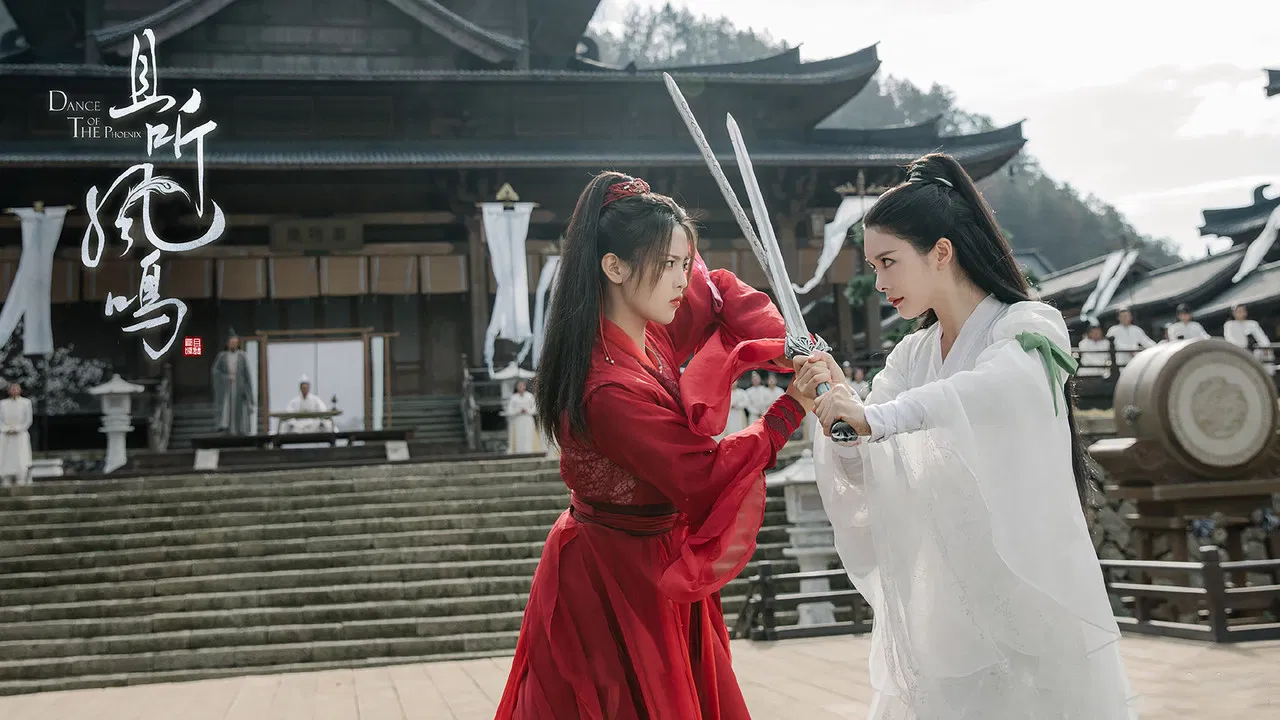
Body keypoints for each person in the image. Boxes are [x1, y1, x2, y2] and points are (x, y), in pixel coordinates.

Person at [793, 153, 1136, 719]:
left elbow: (993, 391)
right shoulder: (911, 355)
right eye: (873, 266)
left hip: (1021, 593)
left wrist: (876, 417)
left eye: (888, 262)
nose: (879, 283)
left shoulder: (1027, 327)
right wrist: (835, 413)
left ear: (941, 252)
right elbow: (865, 461)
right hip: (942, 602)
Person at [494, 171, 813, 720]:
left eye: (684, 262)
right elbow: (702, 475)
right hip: (611, 571)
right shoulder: (606, 389)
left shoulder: (652, 330)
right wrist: (790, 408)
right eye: (667, 264)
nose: (682, 279)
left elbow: (717, 293)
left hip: (656, 560)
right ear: (614, 266)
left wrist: (783, 342)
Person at [211, 333, 255, 435]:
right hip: (227, 388)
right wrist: (226, 378)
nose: (234, 345)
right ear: (228, 344)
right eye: (232, 343)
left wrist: (249, 394)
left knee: (240, 410)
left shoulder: (242, 356)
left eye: (235, 343)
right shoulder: (222, 356)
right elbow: (215, 371)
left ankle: (239, 430)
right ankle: (226, 429)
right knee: (226, 409)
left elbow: (247, 375)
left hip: (239, 387)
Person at [0, 383, 33, 487]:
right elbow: (0, 420)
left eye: (16, 389)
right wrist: (6, 429)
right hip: (6, 435)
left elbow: (28, 420)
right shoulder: (3, 403)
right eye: (12, 389)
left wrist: (18, 429)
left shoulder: (26, 402)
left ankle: (22, 478)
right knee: (5, 457)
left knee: (21, 456)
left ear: (20, 390)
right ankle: (6, 478)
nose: (14, 391)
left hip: (20, 435)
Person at [1223, 304, 1273, 371]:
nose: (1242, 313)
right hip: (1238, 351)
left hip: (1253, 351)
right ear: (1233, 313)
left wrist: (1265, 347)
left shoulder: (1252, 324)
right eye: (1239, 311)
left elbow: (1261, 337)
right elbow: (1229, 338)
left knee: (1264, 353)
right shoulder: (1229, 325)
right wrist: (1240, 348)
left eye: (1243, 311)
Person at [505, 379, 539, 454]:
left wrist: (527, 410)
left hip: (528, 418)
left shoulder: (530, 396)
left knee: (528, 434)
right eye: (519, 386)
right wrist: (518, 411)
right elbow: (509, 410)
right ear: (516, 387)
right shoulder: (513, 397)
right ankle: (519, 451)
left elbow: (534, 408)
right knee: (519, 435)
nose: (521, 387)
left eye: (522, 386)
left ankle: (529, 450)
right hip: (518, 419)